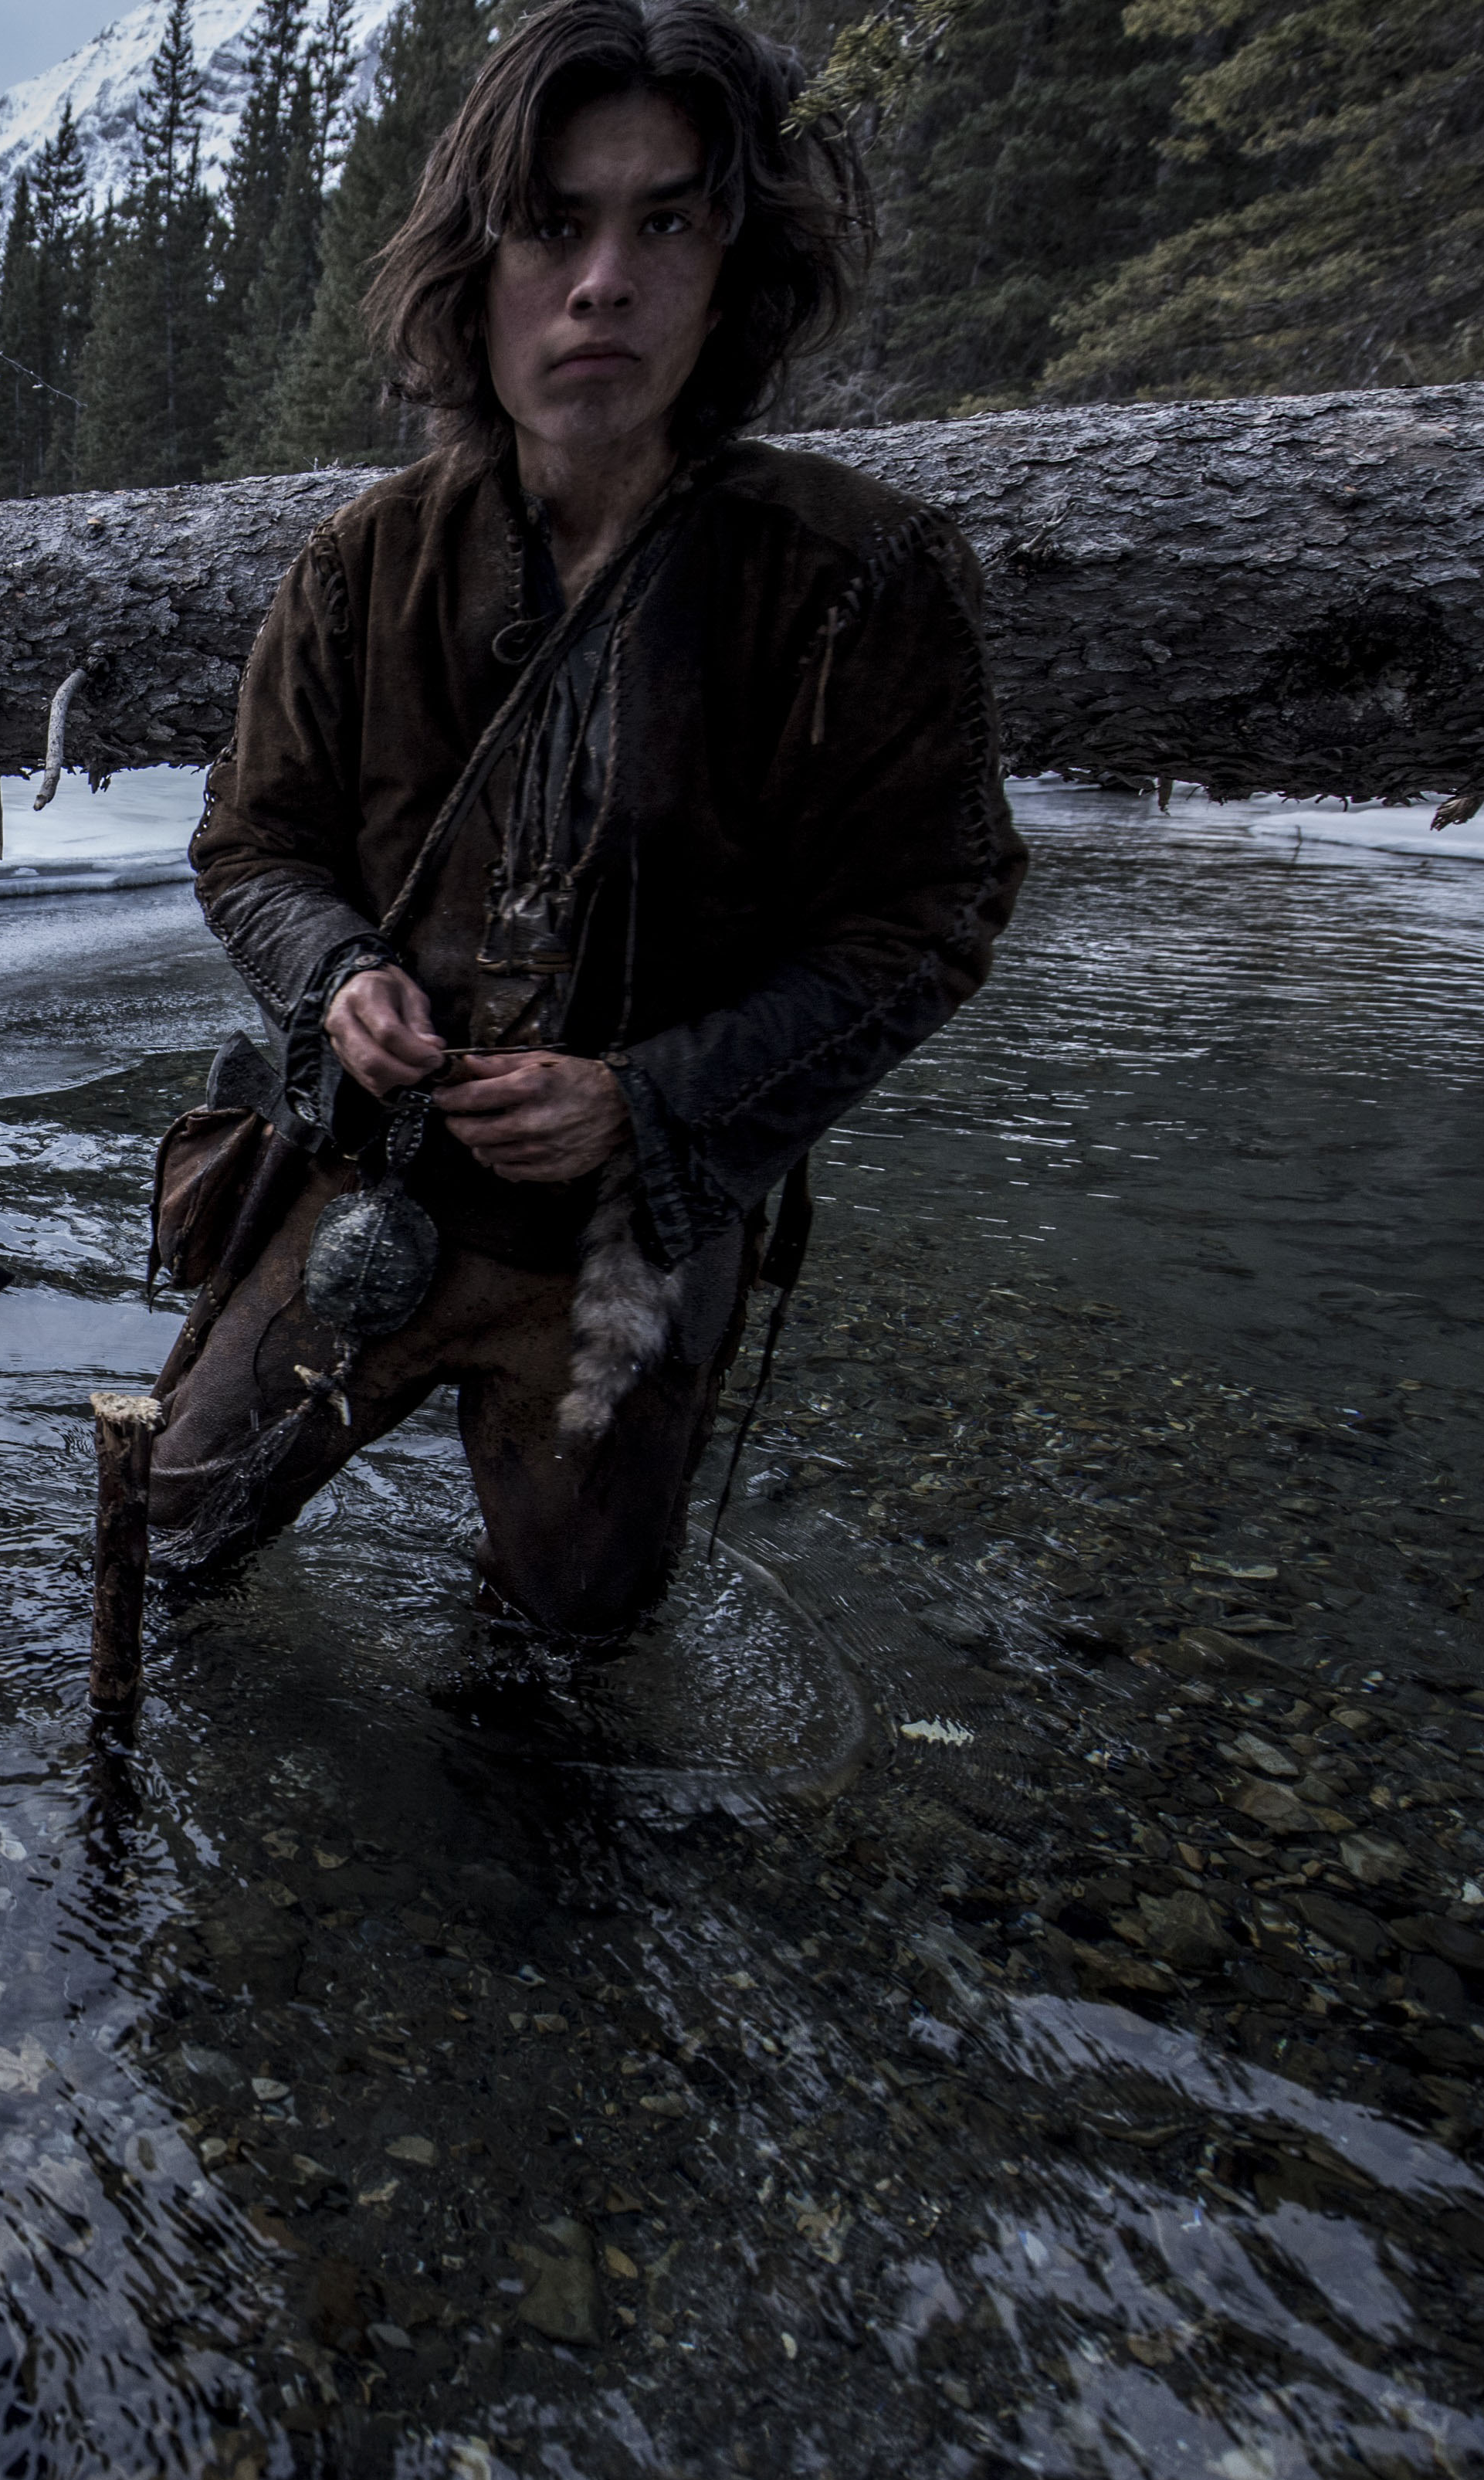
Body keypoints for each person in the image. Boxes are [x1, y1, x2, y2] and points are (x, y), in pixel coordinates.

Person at [150, 0, 1025, 1661]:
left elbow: (930, 920)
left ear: (730, 265)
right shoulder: (362, 565)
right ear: (472, 268)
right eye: (552, 225)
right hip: (367, 1178)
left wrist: (645, 1100)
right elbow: (249, 847)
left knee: (568, 1659)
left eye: (664, 221)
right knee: (155, 1543)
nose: (601, 280)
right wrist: (336, 974)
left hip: (631, 1240)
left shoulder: (854, 578)